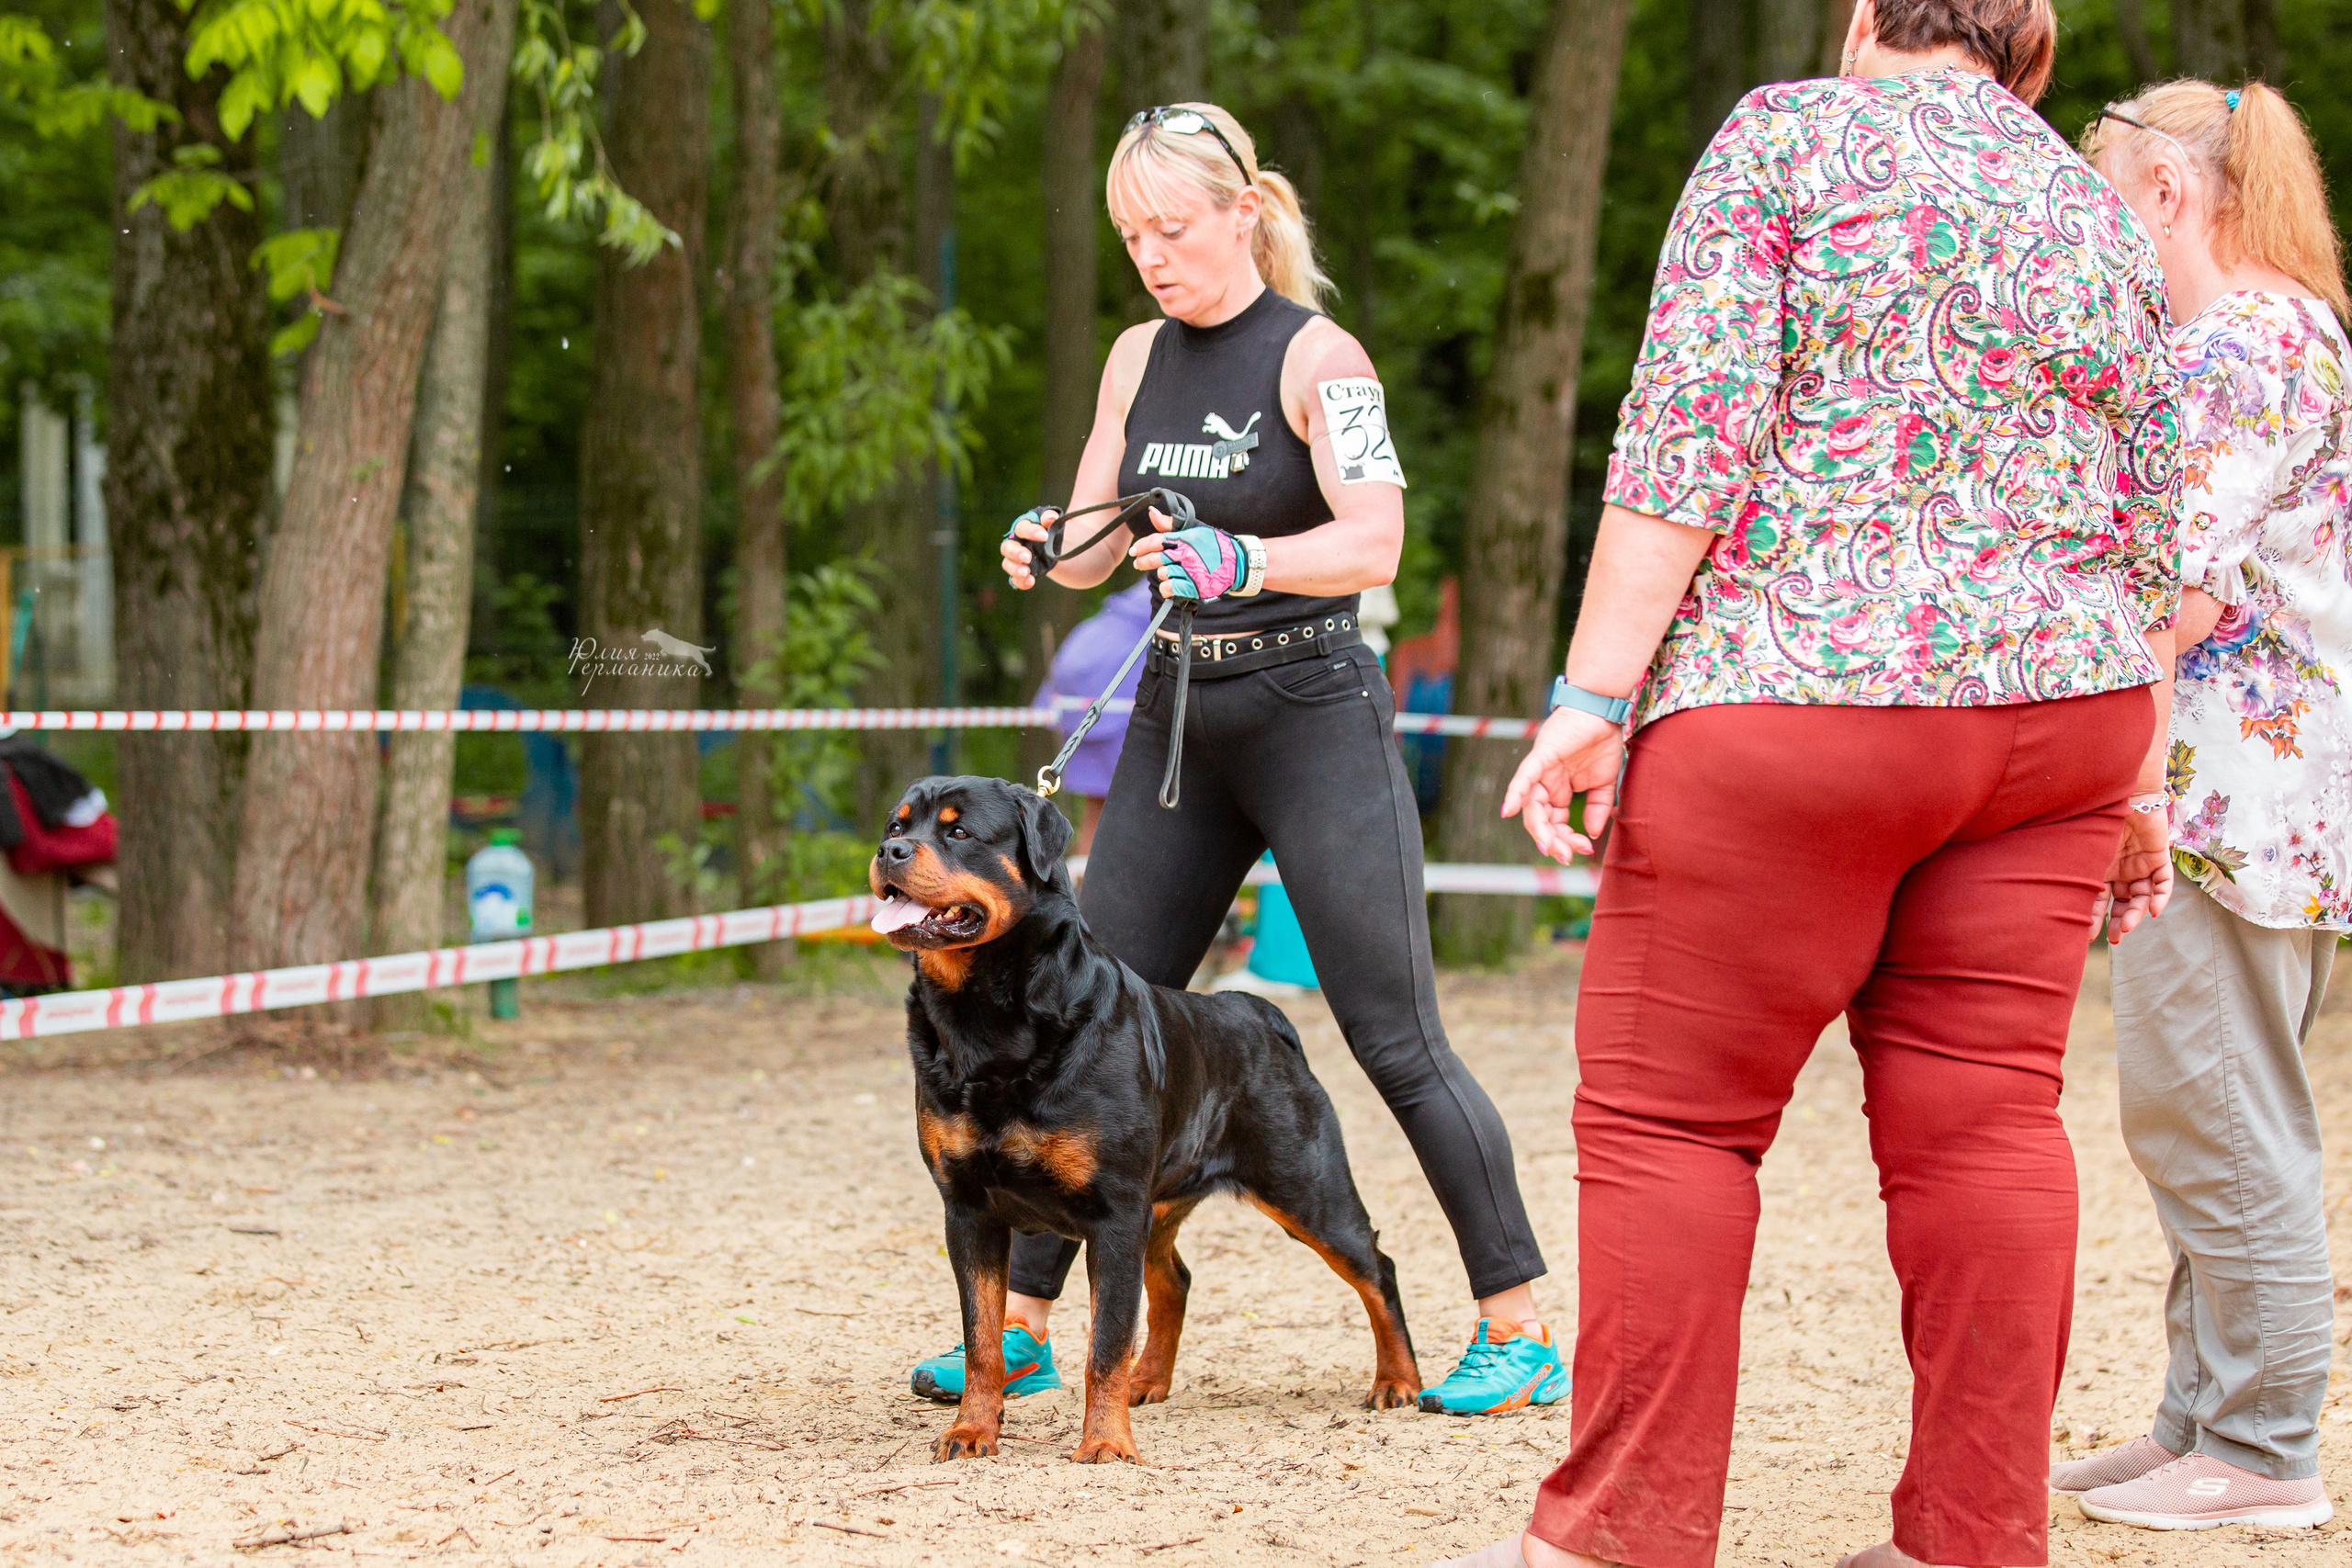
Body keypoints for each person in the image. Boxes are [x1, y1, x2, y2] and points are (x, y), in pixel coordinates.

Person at [1446, 2, 2181, 1564]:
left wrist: (1590, 692)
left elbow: (1687, 432)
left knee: (1672, 1127)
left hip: (1799, 697)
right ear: (2027, 52)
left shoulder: (1784, 137)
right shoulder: (2087, 200)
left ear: (1866, 23)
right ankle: (1972, 1539)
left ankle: (1616, 1540)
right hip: (2064, 715)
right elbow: (2148, 508)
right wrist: (2144, 785)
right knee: (1989, 1122)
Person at [910, 101, 1562, 1418]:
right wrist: (1051, 542)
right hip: (1178, 721)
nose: (1152, 253)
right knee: (1088, 1013)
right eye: (1130, 232)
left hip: (1313, 712)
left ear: (1245, 211)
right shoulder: (1135, 355)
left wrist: (1248, 557)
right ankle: (1027, 1323)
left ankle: (1518, 1321)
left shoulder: (1326, 358)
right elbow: (1100, 537)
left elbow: (1374, 539)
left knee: (1394, 1034)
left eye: (1174, 224)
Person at [2046, 80, 2348, 1533]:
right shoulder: (2288, 328)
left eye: (2115, 201)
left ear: (2167, 189)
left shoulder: (2238, 344)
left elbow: (2182, 578)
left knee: (2220, 1111)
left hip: (2229, 790)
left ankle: (2266, 1442)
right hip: (2261, 785)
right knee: (2206, 1104)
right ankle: (2200, 1412)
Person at [1030, 580, 1158, 856]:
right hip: (1113, 705)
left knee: (1099, 810)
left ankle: (1083, 887)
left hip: (1083, 695)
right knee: (1130, 811)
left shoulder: (1118, 612)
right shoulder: (1175, 591)